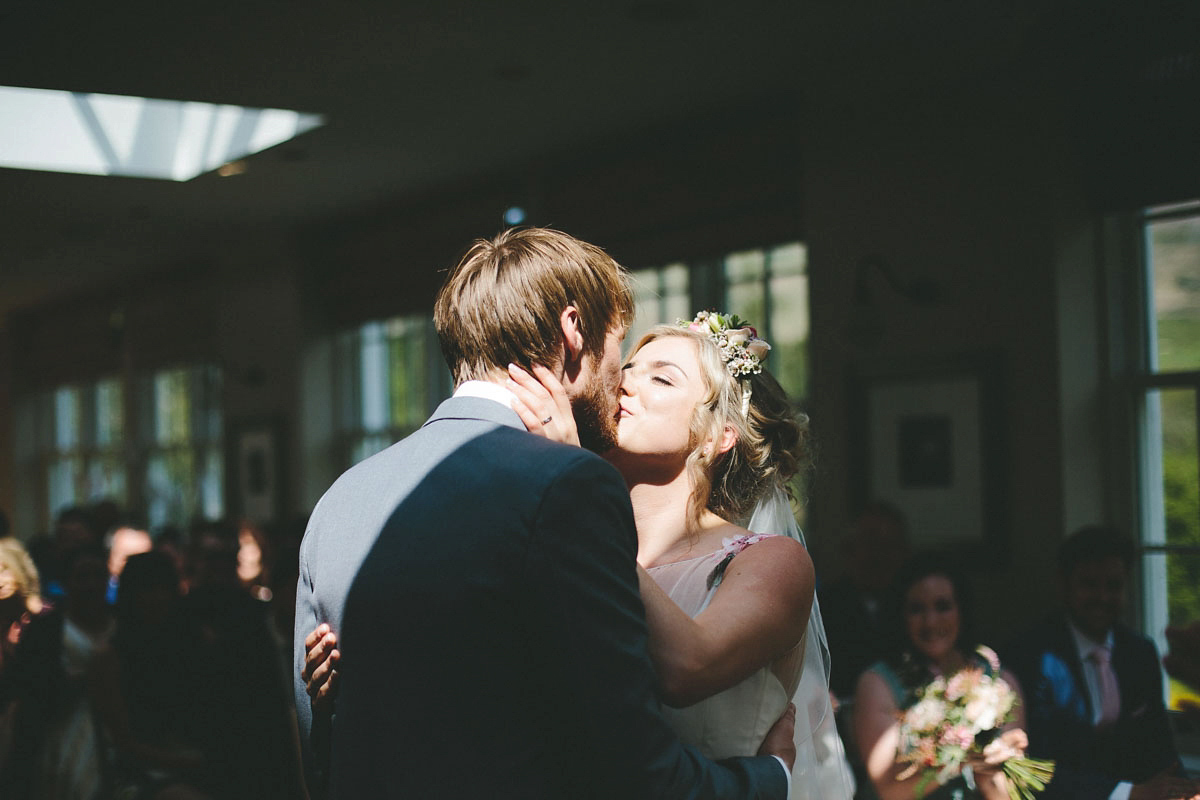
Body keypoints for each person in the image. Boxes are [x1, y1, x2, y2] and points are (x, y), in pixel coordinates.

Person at [293, 228, 795, 799]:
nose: (622, 381)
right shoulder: (568, 485)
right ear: (574, 332)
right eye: (620, 349)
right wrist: (767, 779)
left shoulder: (339, 500)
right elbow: (631, 768)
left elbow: (322, 754)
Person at [1003, 525, 1200, 800]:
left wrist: (1186, 790)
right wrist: (1128, 793)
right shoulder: (1032, 658)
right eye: (1090, 585)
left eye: (1114, 586)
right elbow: (1035, 765)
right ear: (1063, 585)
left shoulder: (1139, 652)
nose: (1103, 597)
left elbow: (1158, 747)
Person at [853, 554, 1028, 800]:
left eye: (942, 606)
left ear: (962, 610)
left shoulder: (998, 681)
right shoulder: (878, 683)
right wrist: (958, 756)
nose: (931, 621)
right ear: (901, 615)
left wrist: (989, 772)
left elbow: (1010, 795)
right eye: (917, 609)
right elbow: (888, 790)